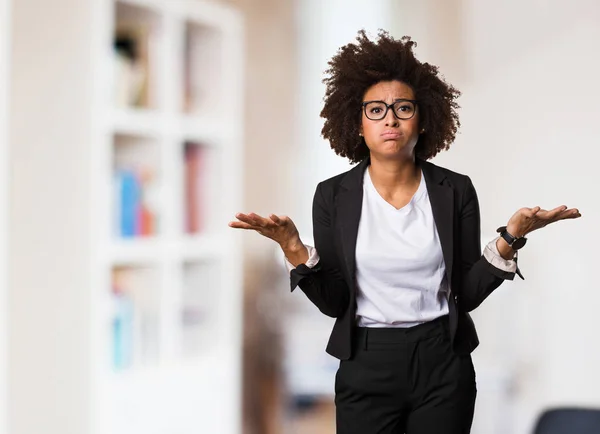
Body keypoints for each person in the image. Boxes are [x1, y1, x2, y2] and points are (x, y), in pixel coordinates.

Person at [229, 30, 581, 434]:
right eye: (375, 109)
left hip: (442, 363)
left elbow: (465, 293)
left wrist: (511, 237)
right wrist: (293, 247)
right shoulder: (332, 196)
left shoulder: (456, 190)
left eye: (403, 108)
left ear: (424, 119)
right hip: (365, 361)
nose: (390, 119)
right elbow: (334, 302)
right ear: (357, 123)